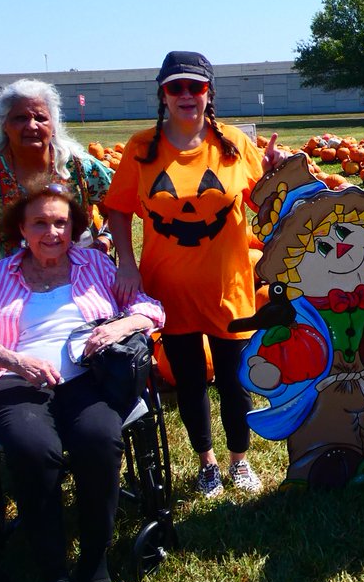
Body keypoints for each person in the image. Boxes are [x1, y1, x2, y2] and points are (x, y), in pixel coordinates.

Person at [0, 182, 166, 582]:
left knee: (99, 439)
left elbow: (148, 307)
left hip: (88, 376)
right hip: (15, 378)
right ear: (20, 229)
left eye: (61, 222)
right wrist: (12, 360)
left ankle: (95, 563)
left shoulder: (96, 266)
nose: (52, 231)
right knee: (31, 448)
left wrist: (120, 326)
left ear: (74, 228)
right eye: (40, 222)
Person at [107, 51, 286, 499]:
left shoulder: (232, 145)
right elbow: (117, 209)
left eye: (196, 86)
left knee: (233, 380)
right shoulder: (142, 147)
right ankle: (206, 462)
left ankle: (239, 461)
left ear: (209, 93)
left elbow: (263, 209)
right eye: (176, 87)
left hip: (227, 285)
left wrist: (275, 174)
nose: (186, 95)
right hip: (167, 287)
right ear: (163, 94)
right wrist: (126, 263)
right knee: (188, 380)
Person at [0, 79, 112, 305]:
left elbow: (118, 207)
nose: (31, 126)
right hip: (13, 285)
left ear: (53, 125)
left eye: (40, 118)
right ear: (4, 125)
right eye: (20, 118)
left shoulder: (78, 167)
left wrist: (106, 238)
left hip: (81, 276)